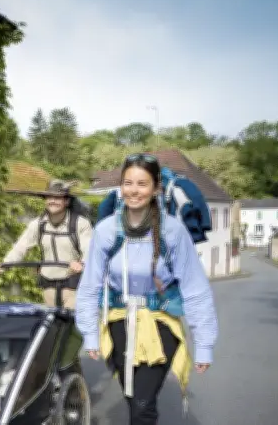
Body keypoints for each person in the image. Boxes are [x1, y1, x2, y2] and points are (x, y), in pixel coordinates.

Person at [74, 153, 219, 425]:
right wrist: (90, 333)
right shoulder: (106, 231)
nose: (134, 190)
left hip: (160, 323)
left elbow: (195, 289)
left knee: (142, 404)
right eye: (128, 183)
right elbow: (90, 285)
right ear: (120, 187)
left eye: (142, 184)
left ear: (156, 188)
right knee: (133, 399)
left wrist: (204, 344)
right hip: (119, 322)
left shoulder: (173, 232)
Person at [0, 179, 93, 309]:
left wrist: (81, 264)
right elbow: (20, 247)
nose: (52, 201)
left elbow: (89, 249)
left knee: (70, 319)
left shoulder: (80, 223)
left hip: (73, 285)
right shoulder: (38, 224)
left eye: (58, 198)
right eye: (49, 197)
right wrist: (5, 263)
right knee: (51, 320)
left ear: (67, 201)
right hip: (48, 286)